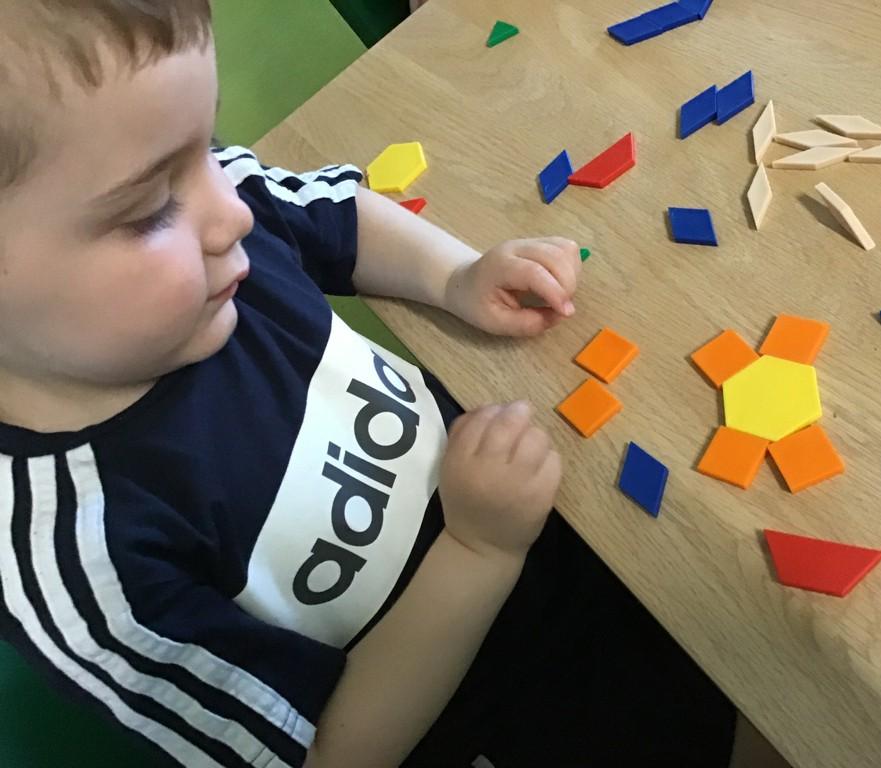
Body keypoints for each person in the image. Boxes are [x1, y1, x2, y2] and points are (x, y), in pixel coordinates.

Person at [0, 2, 774, 766]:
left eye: (209, 145)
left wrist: (454, 276)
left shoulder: (212, 223)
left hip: (573, 534)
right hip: (505, 704)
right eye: (149, 209)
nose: (230, 210)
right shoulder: (77, 564)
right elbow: (328, 755)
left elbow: (329, 213)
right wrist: (477, 548)